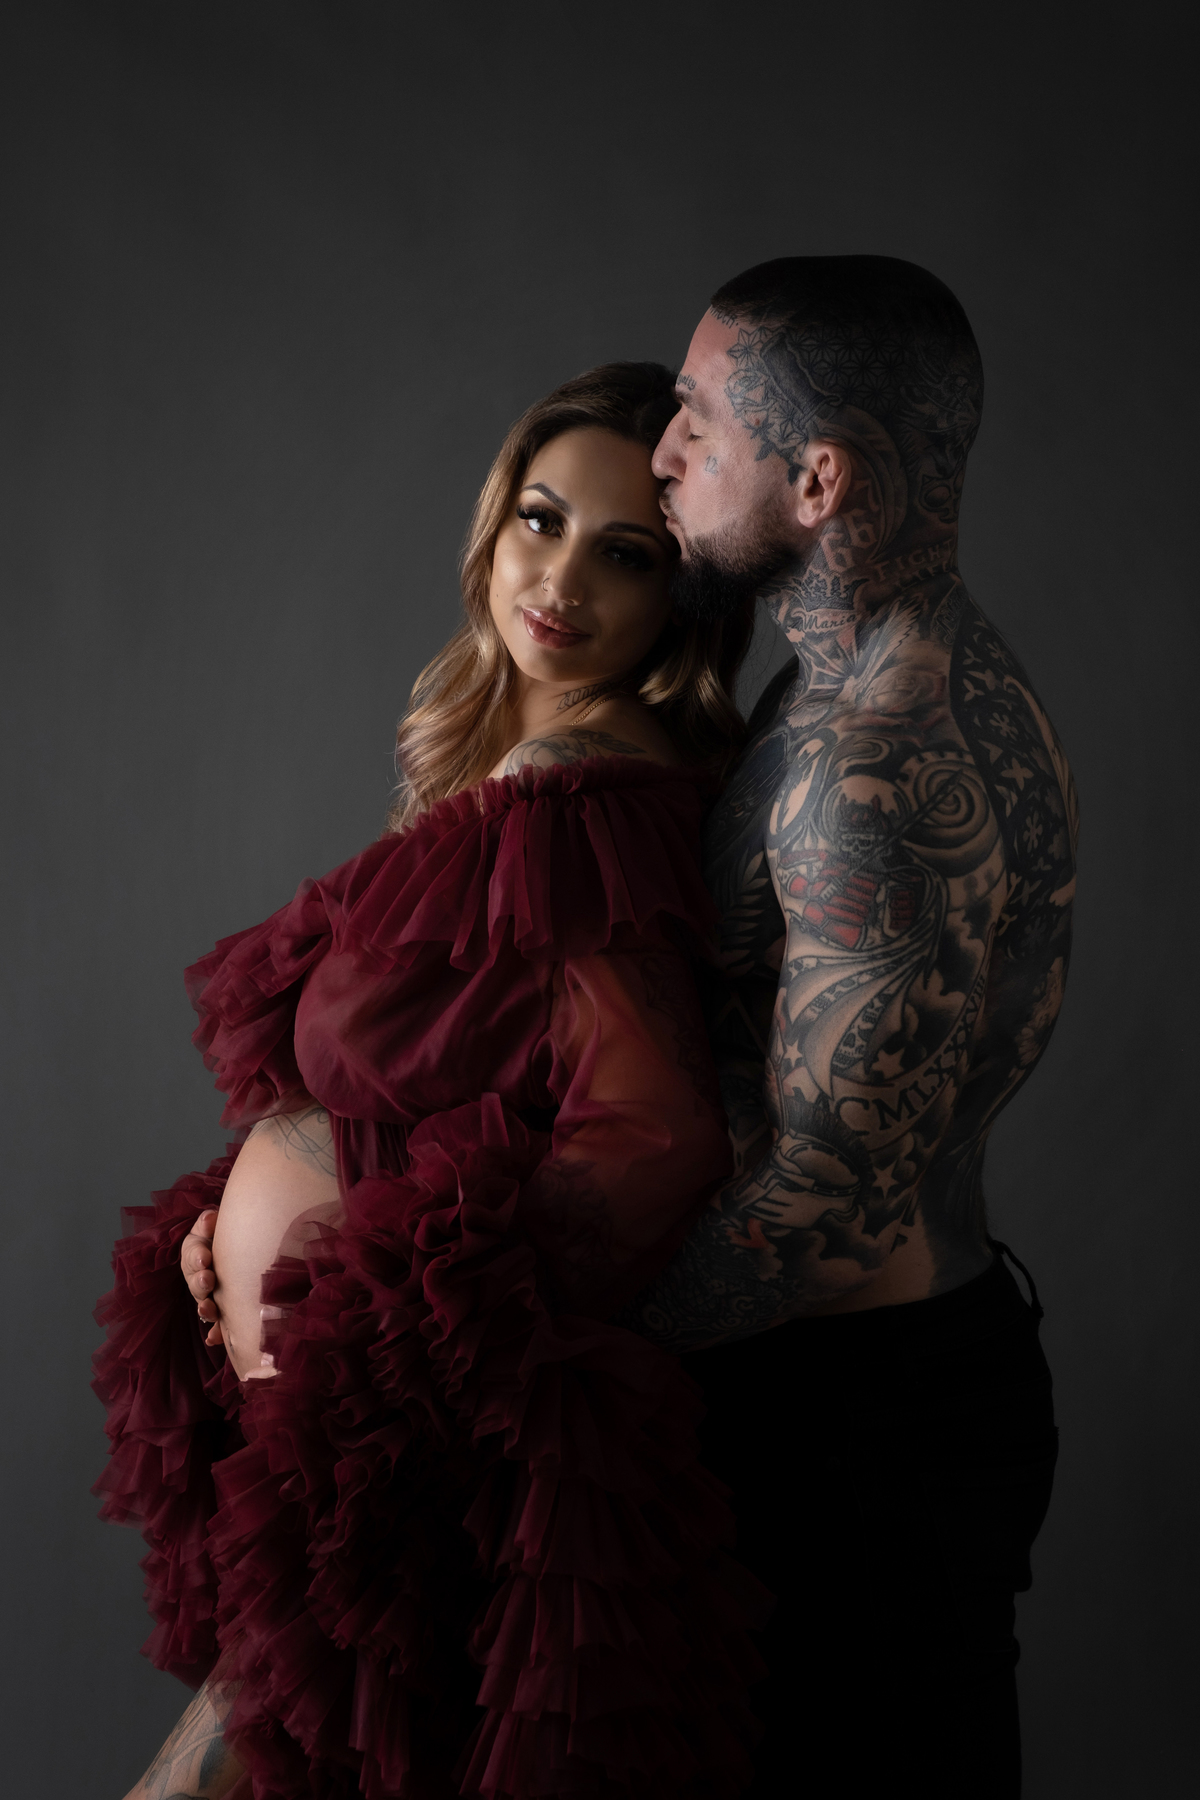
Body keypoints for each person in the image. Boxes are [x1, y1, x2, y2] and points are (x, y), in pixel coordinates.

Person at [94, 362, 766, 1799]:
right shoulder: (518, 763)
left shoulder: (580, 789)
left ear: (679, 601)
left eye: (625, 554)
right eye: (541, 520)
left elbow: (649, 1133)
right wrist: (243, 1224)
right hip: (345, 1436)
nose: (561, 580)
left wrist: (395, 1347)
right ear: (494, 520)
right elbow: (441, 1091)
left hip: (403, 1454)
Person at [613, 256, 1077, 1798]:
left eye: (698, 422)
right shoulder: (863, 681)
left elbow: (825, 1203)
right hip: (869, 1397)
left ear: (818, 481)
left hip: (855, 1435)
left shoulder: (874, 769)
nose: (661, 455)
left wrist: (549, 1351)